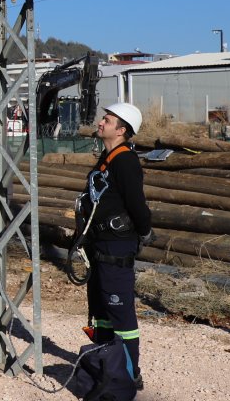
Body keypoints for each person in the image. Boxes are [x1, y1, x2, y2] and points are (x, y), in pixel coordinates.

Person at [80, 103, 153, 389]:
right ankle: (106, 366)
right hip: (99, 245)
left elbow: (137, 203)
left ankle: (130, 372)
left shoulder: (125, 161)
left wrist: (144, 231)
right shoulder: (106, 159)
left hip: (116, 246)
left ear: (121, 130)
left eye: (107, 121)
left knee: (120, 313)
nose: (100, 123)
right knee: (101, 313)